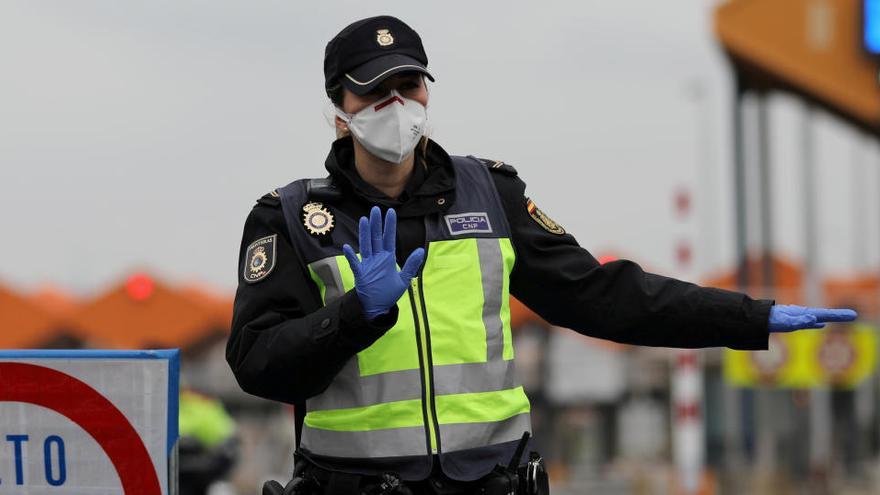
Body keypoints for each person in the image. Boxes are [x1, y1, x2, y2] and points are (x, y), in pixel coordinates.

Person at [227, 15, 857, 495]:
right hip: (357, 485)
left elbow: (601, 297)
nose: (396, 105)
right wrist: (354, 316)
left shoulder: (490, 194)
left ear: (427, 89)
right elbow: (257, 365)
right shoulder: (290, 219)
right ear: (340, 113)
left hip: (492, 482)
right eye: (373, 93)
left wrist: (745, 317)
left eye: (408, 84)